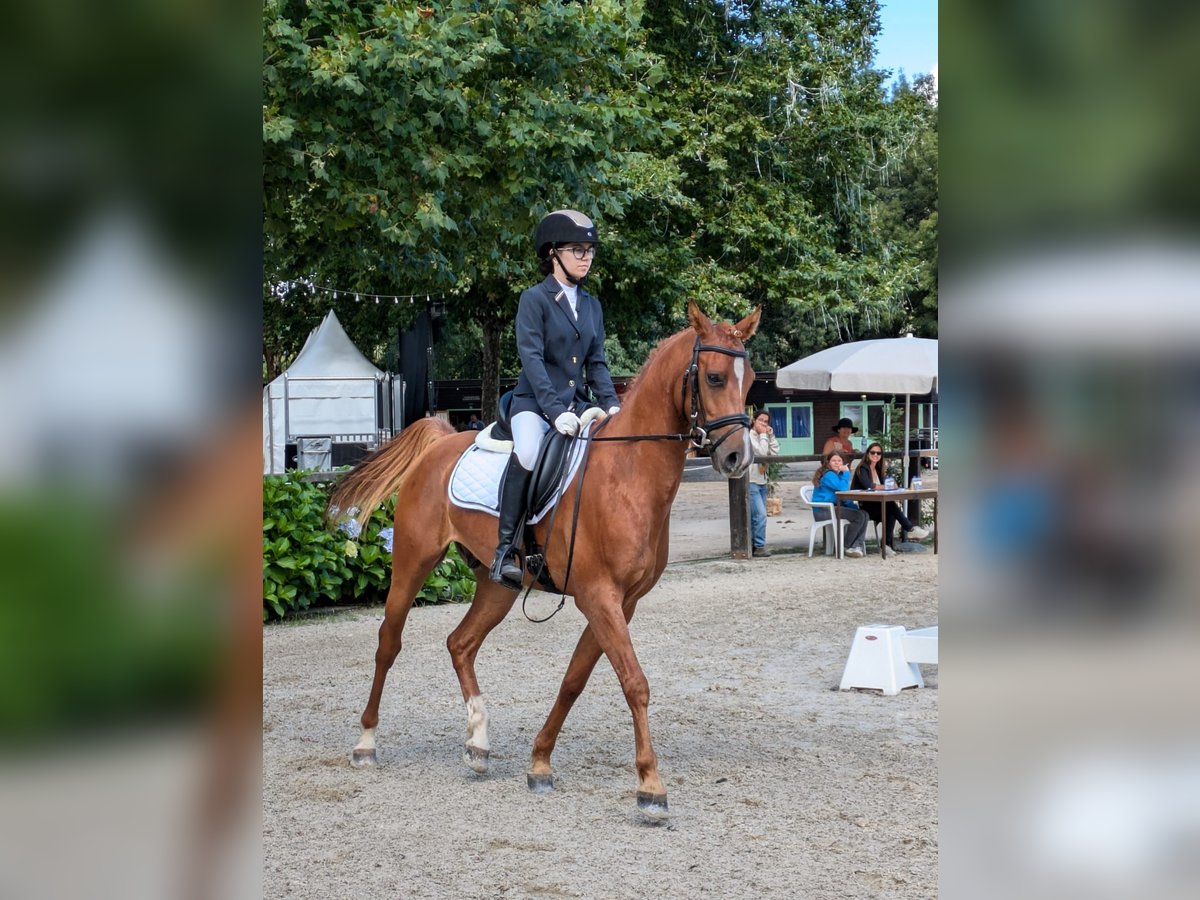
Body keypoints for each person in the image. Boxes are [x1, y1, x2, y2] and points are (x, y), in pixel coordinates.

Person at [489, 209, 621, 589]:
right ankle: (506, 550)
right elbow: (531, 360)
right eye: (578, 250)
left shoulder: (592, 305)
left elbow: (596, 362)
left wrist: (611, 403)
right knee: (528, 451)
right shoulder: (534, 299)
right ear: (553, 254)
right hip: (533, 404)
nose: (586, 257)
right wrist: (554, 410)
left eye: (590, 250)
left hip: (577, 406)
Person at [851, 442, 930, 557]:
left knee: (891, 512)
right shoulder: (863, 468)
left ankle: (886, 545)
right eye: (873, 452)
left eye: (879, 453)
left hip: (879, 504)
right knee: (890, 506)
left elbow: (887, 485)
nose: (875, 455)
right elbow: (869, 485)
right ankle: (910, 529)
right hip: (866, 505)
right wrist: (886, 486)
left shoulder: (878, 469)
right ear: (867, 454)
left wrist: (892, 484)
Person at [811, 450, 869, 558]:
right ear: (828, 462)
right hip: (823, 511)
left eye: (839, 461)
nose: (837, 463)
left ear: (843, 462)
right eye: (834, 460)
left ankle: (856, 546)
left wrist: (855, 508)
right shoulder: (829, 475)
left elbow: (844, 497)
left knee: (864, 514)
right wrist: (846, 472)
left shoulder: (837, 476)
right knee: (859, 516)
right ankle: (846, 545)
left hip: (834, 508)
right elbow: (843, 489)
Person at [748, 410, 781, 558]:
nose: (763, 423)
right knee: (760, 515)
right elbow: (761, 452)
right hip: (751, 480)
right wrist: (763, 435)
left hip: (762, 480)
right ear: (753, 420)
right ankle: (759, 546)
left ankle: (755, 545)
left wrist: (771, 436)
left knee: (759, 516)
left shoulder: (764, 437)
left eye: (766, 421)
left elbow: (774, 453)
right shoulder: (749, 435)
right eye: (760, 420)